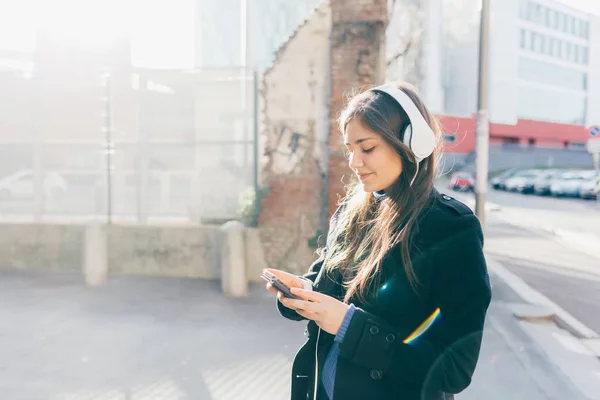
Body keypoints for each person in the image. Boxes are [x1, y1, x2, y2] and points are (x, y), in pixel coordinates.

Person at [264, 81, 491, 400]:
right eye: (350, 149)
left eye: (367, 148)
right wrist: (301, 291)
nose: (354, 163)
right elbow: (322, 282)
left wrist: (349, 326)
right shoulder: (349, 211)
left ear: (412, 143)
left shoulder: (451, 229)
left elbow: (453, 368)